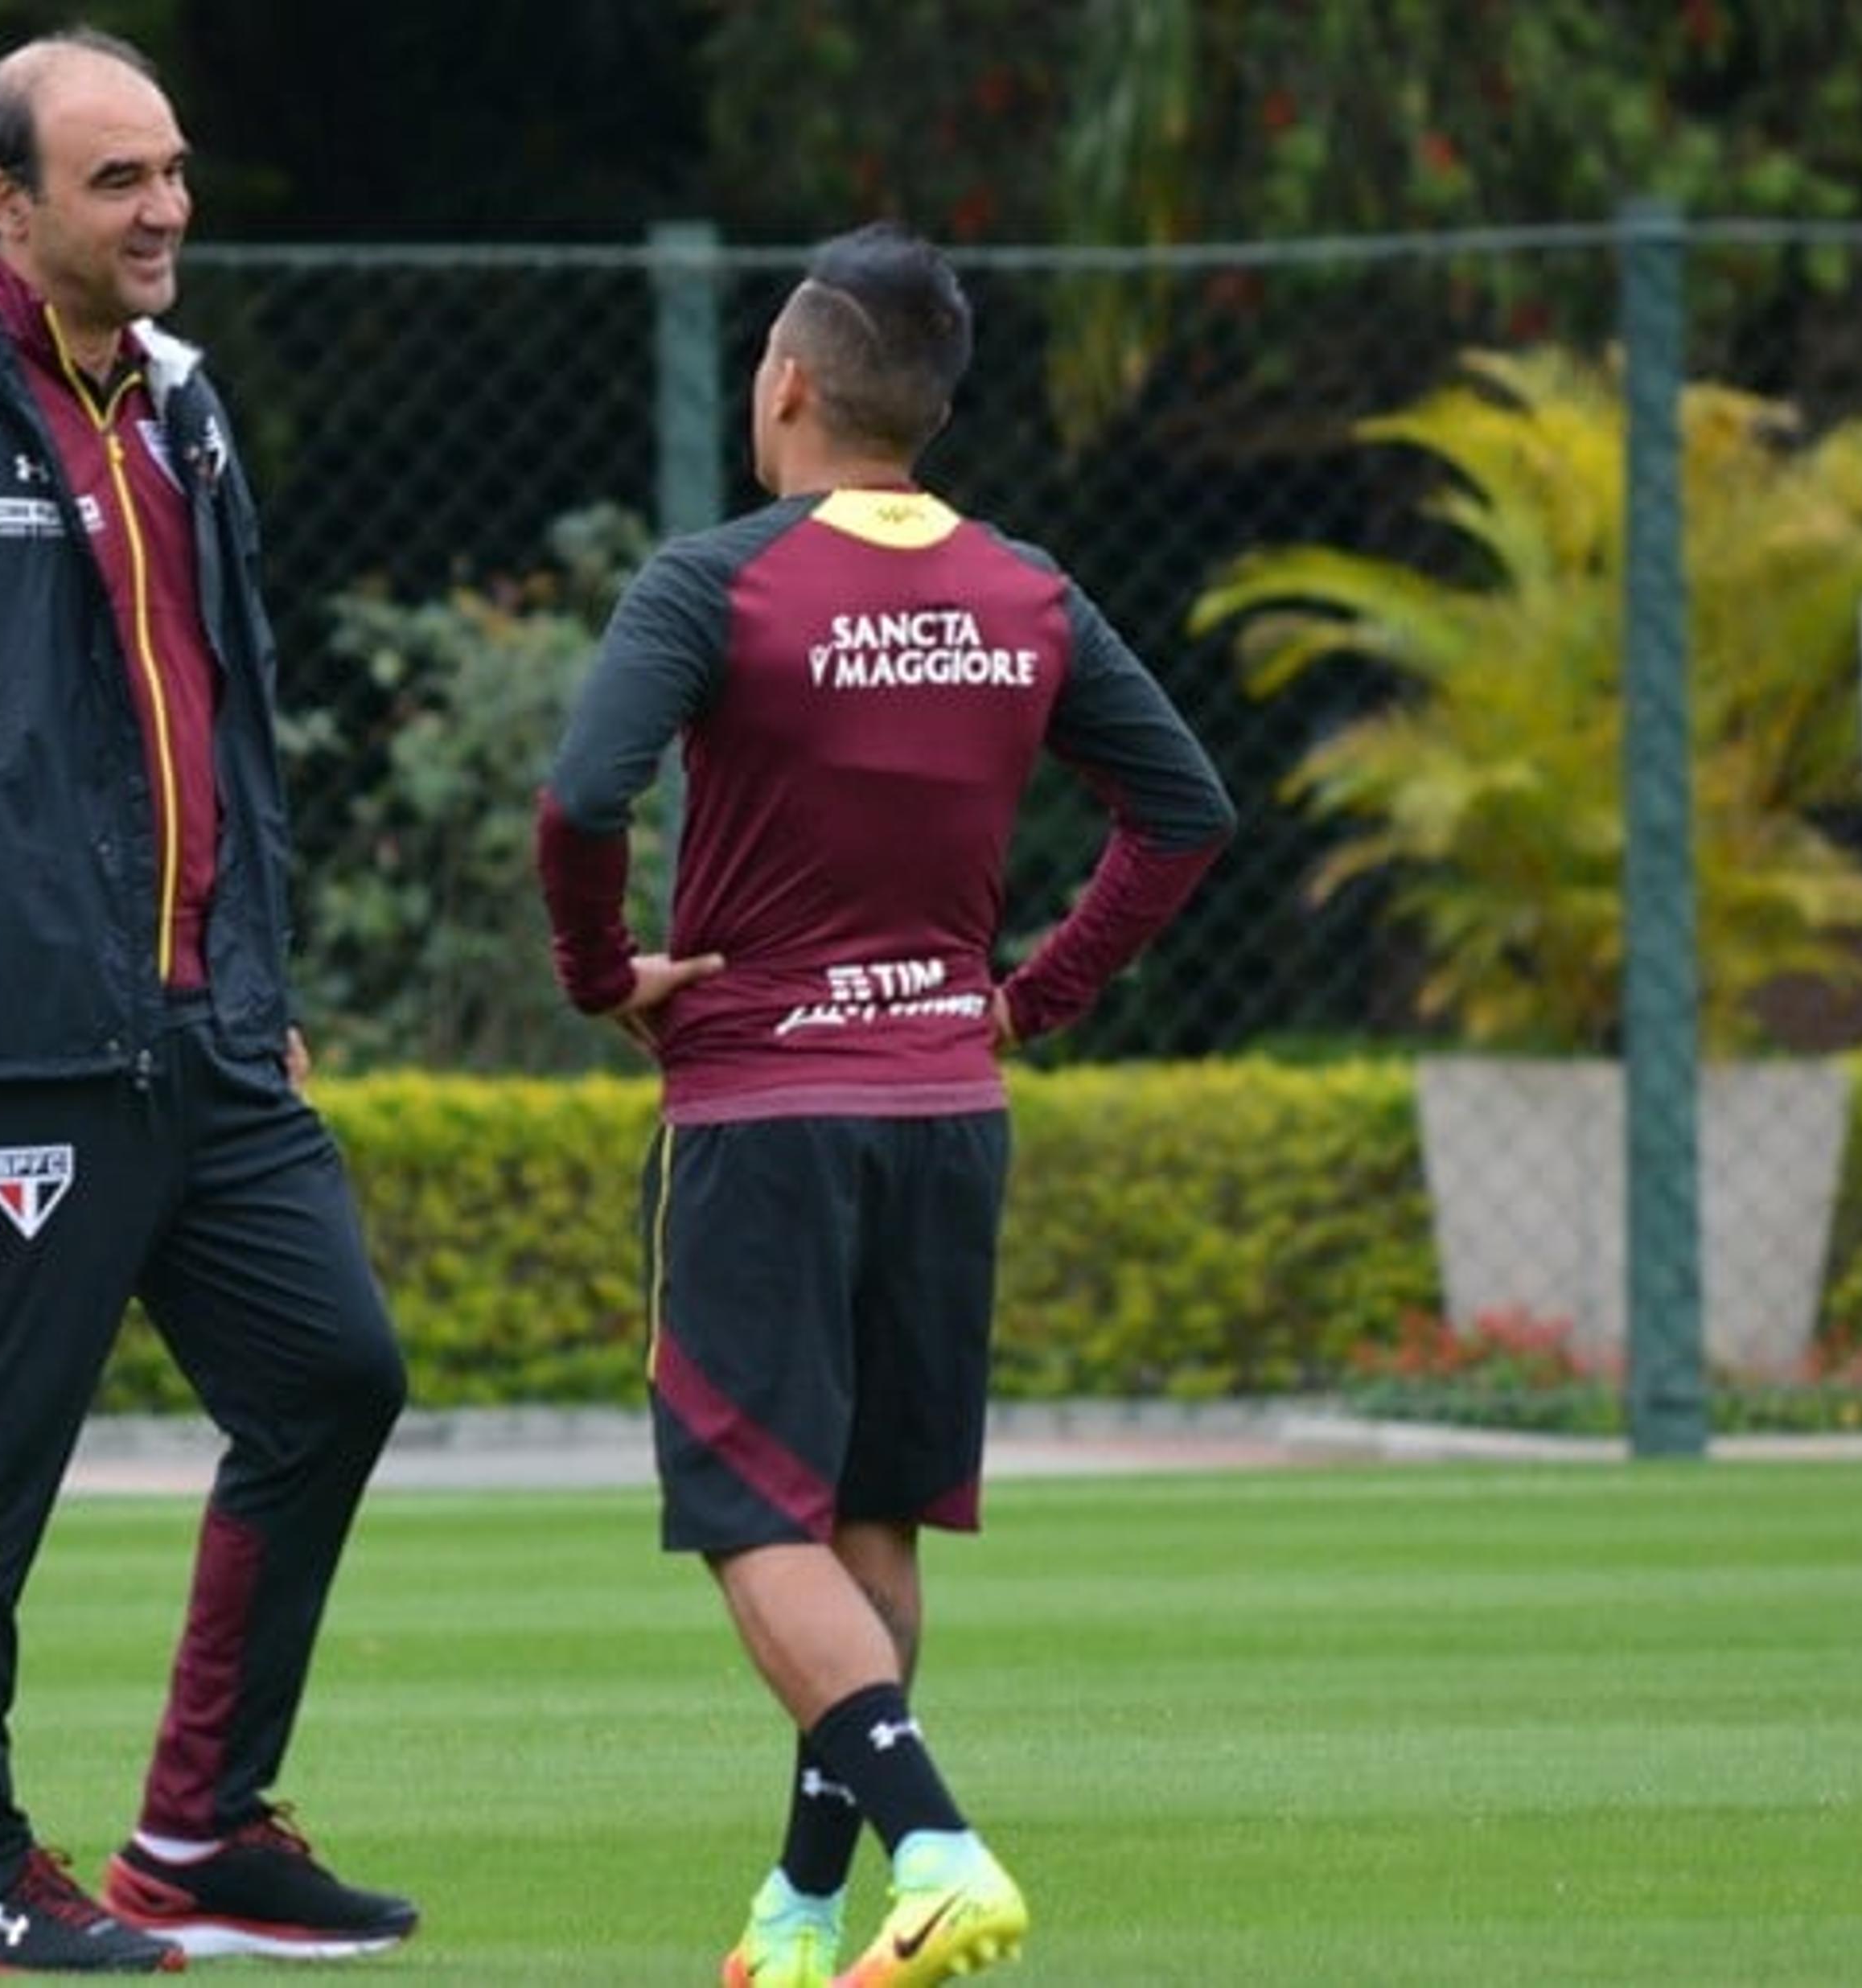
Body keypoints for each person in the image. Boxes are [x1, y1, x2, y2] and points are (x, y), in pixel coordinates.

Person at [0, 29, 417, 1979]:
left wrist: (263, 981)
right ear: (7, 205)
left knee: (334, 1377)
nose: (167, 211)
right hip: (13, 1058)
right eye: (119, 180)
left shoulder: (181, 412)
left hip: (206, 1040)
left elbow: (239, 721)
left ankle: (199, 1830)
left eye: (173, 170)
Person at [536, 221, 1236, 1988]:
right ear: (923, 410)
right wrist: (1032, 996)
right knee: (869, 1526)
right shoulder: (1029, 594)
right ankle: (800, 1912)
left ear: (783, 383)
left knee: (754, 1525)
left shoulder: (715, 585)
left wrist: (602, 971)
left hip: (763, 1116)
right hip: (945, 1104)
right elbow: (1185, 817)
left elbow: (580, 799)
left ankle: (937, 1848)